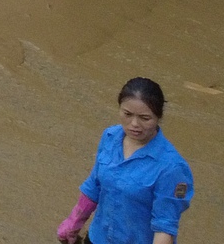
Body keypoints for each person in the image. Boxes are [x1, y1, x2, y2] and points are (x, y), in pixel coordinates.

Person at [58, 79, 192, 244]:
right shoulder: (110, 137)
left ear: (158, 117)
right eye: (127, 114)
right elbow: (95, 185)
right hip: (97, 238)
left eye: (145, 118)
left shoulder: (172, 168)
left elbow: (165, 226)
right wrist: (73, 224)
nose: (134, 124)